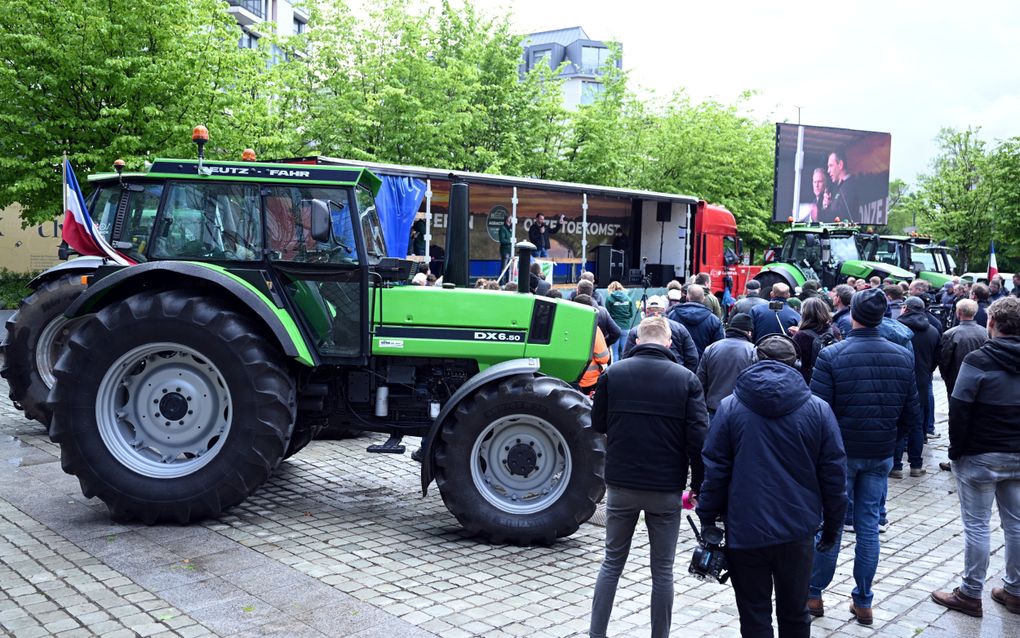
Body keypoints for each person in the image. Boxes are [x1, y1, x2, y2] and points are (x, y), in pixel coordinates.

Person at [699, 335, 846, 638]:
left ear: (755, 360)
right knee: (795, 614)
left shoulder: (729, 407)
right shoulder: (818, 409)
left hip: (746, 528)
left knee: (754, 616)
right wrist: (833, 526)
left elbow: (715, 470)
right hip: (797, 529)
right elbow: (833, 475)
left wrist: (708, 516)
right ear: (797, 364)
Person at [589, 316, 709, 638]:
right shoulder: (686, 380)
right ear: (669, 343)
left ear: (637, 341)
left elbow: (598, 424)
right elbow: (698, 441)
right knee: (662, 572)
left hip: (621, 483)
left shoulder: (613, 375)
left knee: (611, 563)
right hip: (665, 487)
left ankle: (596, 633)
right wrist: (697, 485)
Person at [807, 288, 920, 625]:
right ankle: (863, 600)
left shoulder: (833, 355)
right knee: (868, 525)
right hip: (878, 452)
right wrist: (889, 441)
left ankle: (813, 593)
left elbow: (817, 412)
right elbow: (911, 415)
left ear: (853, 314)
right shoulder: (902, 356)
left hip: (840, 454)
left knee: (831, 523)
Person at [931, 296, 1020, 618]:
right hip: (1015, 454)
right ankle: (1016, 590)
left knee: (978, 525)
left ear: (992, 324)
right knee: (1016, 524)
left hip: (981, 454)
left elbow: (960, 409)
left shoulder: (979, 360)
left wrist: (956, 451)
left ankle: (970, 593)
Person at [891, 297, 940, 479]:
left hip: (899, 380)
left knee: (898, 423)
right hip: (920, 381)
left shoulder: (895, 328)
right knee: (917, 425)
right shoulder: (933, 331)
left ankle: (895, 466)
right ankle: (916, 466)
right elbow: (937, 357)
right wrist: (926, 372)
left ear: (905, 308)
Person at [696, 312, 754, 419]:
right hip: (742, 410)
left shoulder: (711, 348)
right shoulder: (754, 351)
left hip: (714, 408)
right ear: (749, 332)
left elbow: (700, 381)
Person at [622, 296, 699, 371]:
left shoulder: (636, 330)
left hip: (641, 374)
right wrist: (684, 375)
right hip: (675, 374)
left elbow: (626, 357)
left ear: (646, 311)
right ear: (664, 310)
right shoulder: (679, 328)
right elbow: (692, 357)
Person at [938, 299, 988, 396]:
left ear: (958, 312)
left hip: (957, 381)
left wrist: (947, 378)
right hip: (981, 379)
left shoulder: (950, 334)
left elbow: (944, 361)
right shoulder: (985, 332)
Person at [792, 297, 842, 384]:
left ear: (804, 313)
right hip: (832, 378)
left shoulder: (800, 336)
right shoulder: (834, 331)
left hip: (808, 381)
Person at [667, 284, 724, 357]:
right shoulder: (714, 320)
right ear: (703, 298)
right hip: (703, 364)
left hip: (678, 363)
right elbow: (718, 348)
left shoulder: (672, 315)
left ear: (687, 297)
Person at [574, 294, 611, 396]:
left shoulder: (565, 325)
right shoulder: (593, 328)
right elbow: (603, 358)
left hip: (569, 379)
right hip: (589, 381)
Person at [824, 150, 859, 223]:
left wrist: (820, 213)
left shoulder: (849, 186)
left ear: (840, 165)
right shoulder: (840, 187)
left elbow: (843, 215)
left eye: (831, 166)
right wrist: (828, 206)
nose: (828, 171)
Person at [606, 281, 636, 364]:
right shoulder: (628, 298)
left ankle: (614, 372)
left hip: (614, 328)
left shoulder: (609, 298)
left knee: (614, 352)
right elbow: (631, 314)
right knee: (624, 351)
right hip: (626, 327)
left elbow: (607, 314)